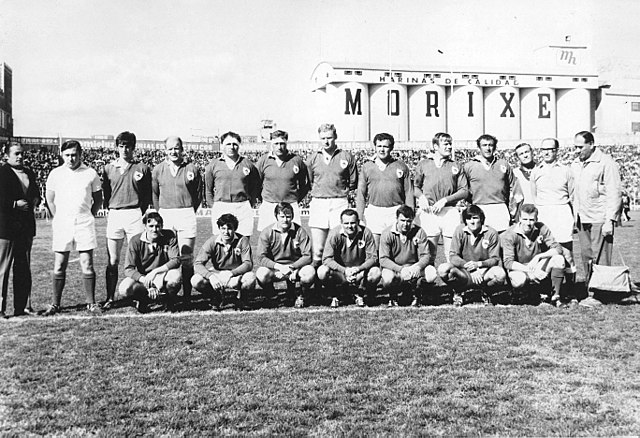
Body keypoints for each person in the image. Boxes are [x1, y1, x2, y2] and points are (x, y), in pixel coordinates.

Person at [43, 140, 103, 316]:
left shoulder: (90, 173)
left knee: (87, 263)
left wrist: (88, 214)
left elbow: (98, 199)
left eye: (74, 155)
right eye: (67, 155)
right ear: (62, 155)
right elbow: (50, 200)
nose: (71, 158)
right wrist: (59, 217)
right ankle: (55, 304)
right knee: (60, 264)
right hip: (63, 222)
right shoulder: (55, 174)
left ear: (80, 155)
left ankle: (91, 303)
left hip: (84, 221)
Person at [571, 131, 622, 306]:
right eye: (575, 146)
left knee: (600, 257)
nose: (577, 150)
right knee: (586, 256)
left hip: (600, 217)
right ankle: (589, 291)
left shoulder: (606, 163)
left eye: (580, 147)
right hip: (582, 217)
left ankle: (600, 294)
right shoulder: (576, 164)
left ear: (591, 144)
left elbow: (614, 193)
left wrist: (610, 220)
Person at [102, 131, 152, 309]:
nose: (125, 150)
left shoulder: (142, 168)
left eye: (128, 146)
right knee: (113, 260)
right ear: (117, 147)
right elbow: (106, 193)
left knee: (137, 259)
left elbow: (147, 195)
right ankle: (109, 297)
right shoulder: (108, 168)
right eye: (121, 146)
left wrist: (139, 210)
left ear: (133, 147)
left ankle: (139, 295)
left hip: (134, 214)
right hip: (115, 214)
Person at [152, 136, 202, 302]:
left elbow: (198, 194)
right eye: (170, 149)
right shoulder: (158, 169)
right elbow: (155, 194)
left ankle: (187, 295)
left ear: (182, 149)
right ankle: (169, 293)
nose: (174, 152)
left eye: (177, 148)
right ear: (165, 150)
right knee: (167, 255)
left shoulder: (192, 169)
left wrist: (188, 209)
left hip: (186, 213)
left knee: (186, 257)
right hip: (166, 214)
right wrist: (161, 213)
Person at [306, 123, 358, 269]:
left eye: (329, 137)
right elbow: (309, 181)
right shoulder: (312, 158)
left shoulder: (346, 157)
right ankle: (316, 285)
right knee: (318, 248)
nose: (326, 141)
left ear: (335, 137)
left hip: (339, 202)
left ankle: (338, 282)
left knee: (338, 244)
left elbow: (353, 182)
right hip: (319, 202)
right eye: (323, 138)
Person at [414, 132, 468, 263]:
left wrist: (445, 200)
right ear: (435, 146)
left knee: (451, 253)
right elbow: (415, 187)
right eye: (446, 144)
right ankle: (427, 281)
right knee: (429, 253)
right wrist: (421, 197)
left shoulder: (456, 166)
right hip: (429, 211)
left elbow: (464, 191)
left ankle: (453, 281)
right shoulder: (423, 164)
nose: (449, 147)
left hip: (449, 211)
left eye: (450, 144)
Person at [437, 205, 506, 307]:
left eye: (475, 218)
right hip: (464, 272)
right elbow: (453, 256)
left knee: (500, 274)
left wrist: (479, 264)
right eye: (469, 218)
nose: (472, 222)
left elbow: (495, 259)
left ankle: (486, 292)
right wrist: (470, 268)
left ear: (481, 219)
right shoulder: (460, 230)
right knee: (443, 269)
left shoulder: (491, 233)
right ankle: (458, 292)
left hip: (483, 272)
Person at [531, 138, 576, 290]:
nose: (547, 152)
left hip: (562, 212)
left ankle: (570, 290)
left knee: (567, 253)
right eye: (544, 149)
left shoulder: (566, 170)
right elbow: (534, 197)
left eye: (550, 149)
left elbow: (572, 195)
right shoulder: (536, 171)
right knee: (546, 251)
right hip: (544, 213)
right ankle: (548, 290)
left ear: (557, 151)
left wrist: (574, 218)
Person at [0, 144, 40, 317]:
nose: (20, 157)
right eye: (16, 154)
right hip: (6, 228)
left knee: (23, 268)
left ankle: (22, 307)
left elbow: (35, 193)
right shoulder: (2, 173)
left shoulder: (29, 173)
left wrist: (36, 199)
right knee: (3, 269)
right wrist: (14, 204)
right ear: (7, 155)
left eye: (22, 154)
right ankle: (0, 309)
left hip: (25, 228)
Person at [356, 133, 414, 248]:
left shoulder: (401, 166)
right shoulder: (367, 166)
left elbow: (409, 192)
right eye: (379, 146)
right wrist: (359, 216)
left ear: (391, 148)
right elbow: (361, 193)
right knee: (375, 248)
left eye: (385, 146)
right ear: (375, 147)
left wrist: (410, 214)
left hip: (396, 211)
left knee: (396, 247)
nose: (382, 149)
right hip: (375, 211)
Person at [500, 204, 566, 306]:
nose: (528, 223)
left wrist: (538, 257)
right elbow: (508, 262)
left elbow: (558, 249)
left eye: (531, 220)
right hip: (520, 268)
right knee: (519, 280)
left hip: (536, 265)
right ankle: (524, 295)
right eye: (525, 219)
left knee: (559, 259)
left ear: (536, 219)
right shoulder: (510, 234)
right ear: (519, 219)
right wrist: (530, 270)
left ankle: (555, 297)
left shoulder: (541, 228)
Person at [118, 211, 182, 313]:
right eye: (151, 226)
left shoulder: (169, 235)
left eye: (157, 226)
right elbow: (128, 269)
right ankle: (143, 300)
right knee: (124, 289)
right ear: (145, 226)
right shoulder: (135, 241)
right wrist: (146, 282)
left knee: (175, 276)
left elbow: (176, 260)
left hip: (162, 275)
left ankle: (168, 300)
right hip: (144, 278)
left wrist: (155, 272)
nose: (154, 229)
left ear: (162, 226)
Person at [256, 202, 315, 308]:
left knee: (309, 272)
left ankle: (300, 295)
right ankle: (271, 295)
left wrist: (292, 267)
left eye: (288, 216)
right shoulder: (267, 232)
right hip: (276, 269)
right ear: (276, 216)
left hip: (295, 269)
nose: (285, 220)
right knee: (261, 273)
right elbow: (261, 257)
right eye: (282, 216)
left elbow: (308, 255)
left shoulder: (300, 231)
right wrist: (279, 267)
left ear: (292, 216)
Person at [317, 209, 381, 308]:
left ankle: (362, 294)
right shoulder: (334, 233)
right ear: (341, 223)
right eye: (346, 223)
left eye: (353, 223)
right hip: (341, 273)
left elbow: (373, 258)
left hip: (360, 272)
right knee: (322, 271)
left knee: (376, 272)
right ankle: (335, 295)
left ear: (358, 222)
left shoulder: (366, 232)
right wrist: (344, 270)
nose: (350, 226)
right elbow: (326, 259)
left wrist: (358, 269)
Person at [191, 213, 256, 310]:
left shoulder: (242, 240)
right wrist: (211, 276)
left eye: (229, 228)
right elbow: (198, 263)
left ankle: (241, 299)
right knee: (196, 280)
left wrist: (231, 273)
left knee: (250, 278)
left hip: (235, 275)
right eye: (223, 228)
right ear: (219, 228)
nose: (226, 232)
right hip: (218, 274)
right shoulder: (212, 242)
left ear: (235, 229)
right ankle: (215, 296)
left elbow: (248, 263)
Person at [204, 131, 259, 237]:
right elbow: (207, 189)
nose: (232, 147)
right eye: (228, 144)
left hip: (242, 206)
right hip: (221, 206)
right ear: (222, 146)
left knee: (243, 241)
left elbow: (255, 186)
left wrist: (249, 203)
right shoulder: (213, 165)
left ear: (239, 146)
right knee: (221, 242)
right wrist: (214, 206)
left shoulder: (248, 164)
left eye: (235, 144)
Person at [379, 205, 437, 307]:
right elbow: (383, 259)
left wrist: (418, 266)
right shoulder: (387, 233)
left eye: (409, 221)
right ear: (396, 219)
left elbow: (426, 255)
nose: (405, 224)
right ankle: (393, 295)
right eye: (402, 220)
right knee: (388, 278)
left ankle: (417, 293)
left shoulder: (419, 232)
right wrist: (401, 269)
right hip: (395, 268)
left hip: (413, 267)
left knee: (431, 273)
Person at [463, 134, 523, 233]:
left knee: (501, 242)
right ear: (479, 147)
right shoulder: (469, 166)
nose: (488, 148)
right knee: (481, 243)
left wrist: (512, 212)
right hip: (479, 207)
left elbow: (514, 188)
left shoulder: (503, 164)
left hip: (500, 208)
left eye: (490, 145)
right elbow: (463, 189)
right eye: (484, 145)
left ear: (495, 147)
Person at [255, 130, 310, 232]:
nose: (279, 147)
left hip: (291, 204)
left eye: (282, 144)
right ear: (271, 143)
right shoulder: (263, 160)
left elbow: (305, 184)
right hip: (269, 205)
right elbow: (255, 183)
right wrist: (263, 199)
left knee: (293, 239)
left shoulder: (296, 160)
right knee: (267, 239)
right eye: (276, 143)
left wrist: (296, 199)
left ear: (286, 143)